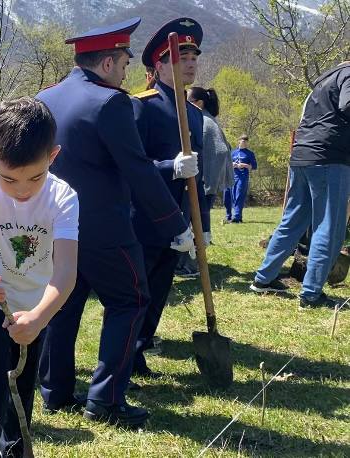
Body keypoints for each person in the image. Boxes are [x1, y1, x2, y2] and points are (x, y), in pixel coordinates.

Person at [37, 18, 193, 426]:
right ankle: (105, 399)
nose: (126, 72)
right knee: (131, 301)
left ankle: (54, 389)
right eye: (123, 63)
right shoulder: (110, 103)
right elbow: (137, 168)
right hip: (104, 228)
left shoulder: (45, 97)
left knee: (63, 303)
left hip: (55, 223)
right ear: (107, 63)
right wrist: (175, 224)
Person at [0, 97, 79, 456]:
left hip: (36, 305)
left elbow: (66, 271)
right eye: (8, 178)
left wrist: (38, 318)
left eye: (35, 177)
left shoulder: (63, 197)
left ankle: (16, 450)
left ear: (52, 157)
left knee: (21, 387)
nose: (22, 189)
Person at [131, 17, 206, 379]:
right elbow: (132, 165)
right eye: (181, 58)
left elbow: (197, 176)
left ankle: (141, 348)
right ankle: (126, 355)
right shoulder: (141, 106)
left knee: (160, 289)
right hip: (143, 218)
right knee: (138, 291)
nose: (189, 64)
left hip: (177, 220)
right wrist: (169, 167)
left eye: (193, 58)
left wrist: (201, 222)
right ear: (159, 66)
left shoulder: (194, 114)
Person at [250, 61, 350, 309]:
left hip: (302, 154)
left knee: (293, 220)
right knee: (329, 226)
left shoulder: (322, 81)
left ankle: (263, 279)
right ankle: (311, 294)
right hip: (330, 156)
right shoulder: (349, 75)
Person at [175, 87, 233, 277]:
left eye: (189, 100)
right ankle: (184, 264)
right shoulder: (201, 118)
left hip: (203, 184)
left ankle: (188, 266)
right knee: (191, 223)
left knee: (195, 225)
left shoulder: (205, 121)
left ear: (198, 103)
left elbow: (221, 151)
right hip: (201, 182)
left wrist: (207, 180)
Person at [224, 135, 258, 223]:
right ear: (239, 141)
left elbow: (254, 166)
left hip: (243, 177)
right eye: (243, 141)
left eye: (246, 142)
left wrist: (245, 165)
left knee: (239, 195)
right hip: (232, 176)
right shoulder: (233, 153)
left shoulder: (249, 153)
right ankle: (229, 216)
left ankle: (237, 217)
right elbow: (227, 164)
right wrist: (232, 164)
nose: (245, 143)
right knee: (231, 196)